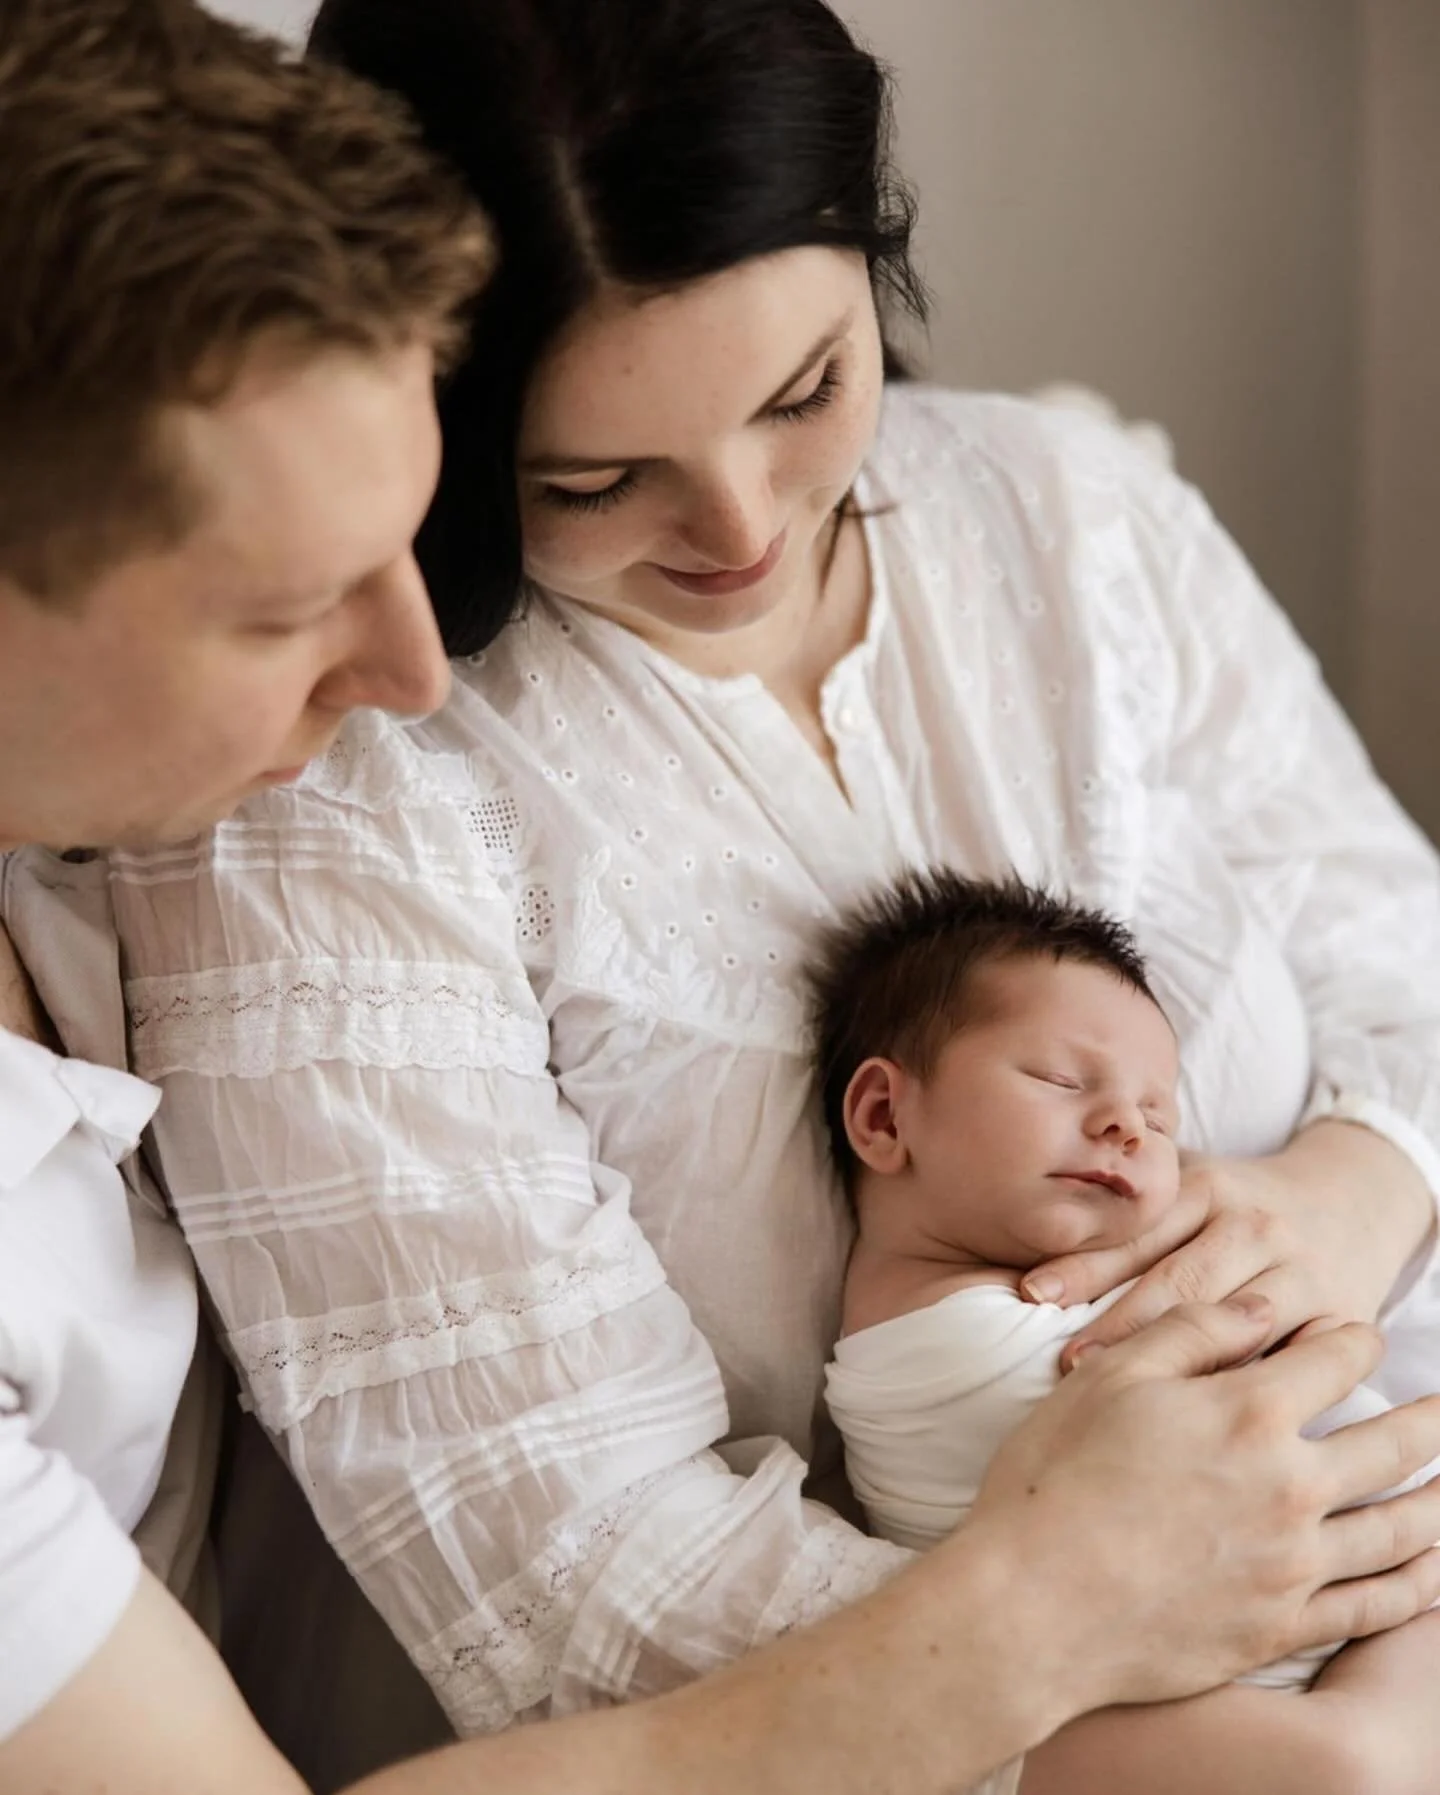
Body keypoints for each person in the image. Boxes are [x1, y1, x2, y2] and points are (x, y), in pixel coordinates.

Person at [10, 4, 1438, 1795]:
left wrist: (1355, 1184)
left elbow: (1402, 956)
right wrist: (1218, 1720)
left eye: (807, 391)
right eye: (593, 480)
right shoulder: (320, 766)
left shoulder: (1068, 512)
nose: (746, 528)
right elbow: (572, 1587)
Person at [817, 870, 1440, 1794]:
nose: (1127, 1127)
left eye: (1159, 1115)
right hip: (1292, 1679)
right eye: (1061, 1080)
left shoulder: (1042, 1300)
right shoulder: (954, 1343)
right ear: (883, 1115)